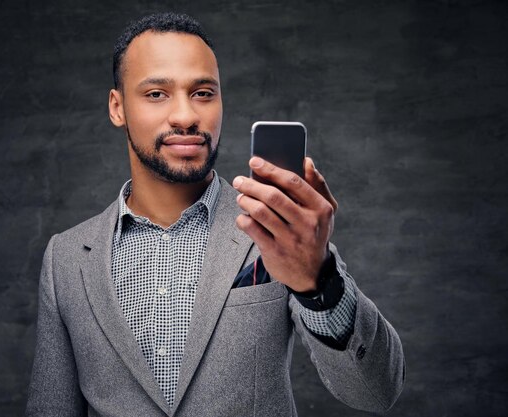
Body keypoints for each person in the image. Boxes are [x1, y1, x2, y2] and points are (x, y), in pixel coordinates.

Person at [26, 12, 405, 417]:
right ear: (117, 107)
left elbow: (376, 392)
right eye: (156, 93)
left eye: (203, 92)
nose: (186, 116)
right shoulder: (65, 259)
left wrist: (319, 281)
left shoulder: (275, 227)